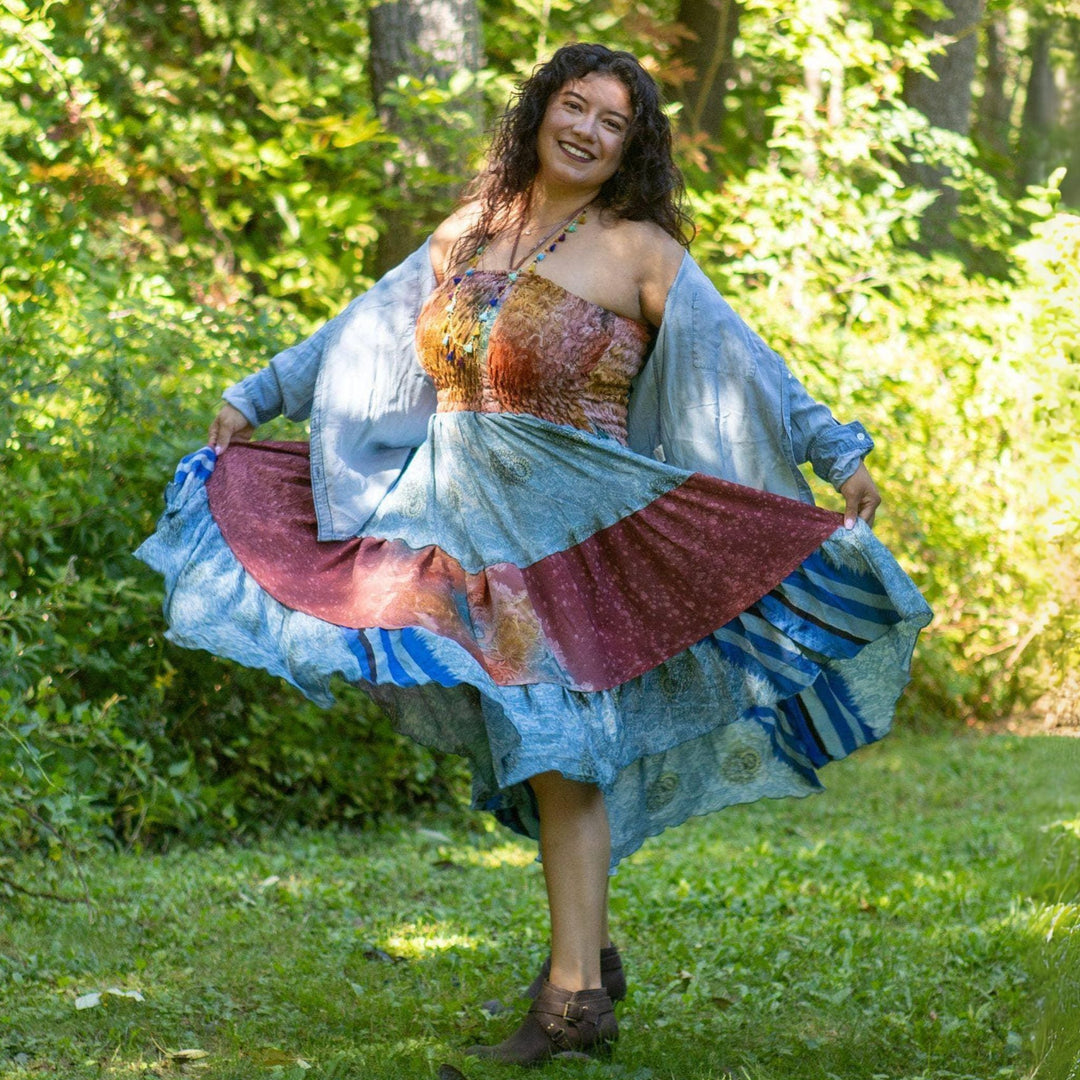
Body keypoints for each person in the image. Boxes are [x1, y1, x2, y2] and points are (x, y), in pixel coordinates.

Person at [136, 43, 931, 1066]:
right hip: (460, 524)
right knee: (531, 744)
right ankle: (590, 954)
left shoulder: (641, 252)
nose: (590, 130)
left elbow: (749, 371)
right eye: (576, 106)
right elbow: (359, 333)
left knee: (555, 743)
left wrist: (834, 449)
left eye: (615, 121)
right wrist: (255, 396)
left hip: (578, 532)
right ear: (541, 109)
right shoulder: (472, 231)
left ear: (633, 147)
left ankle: (572, 1005)